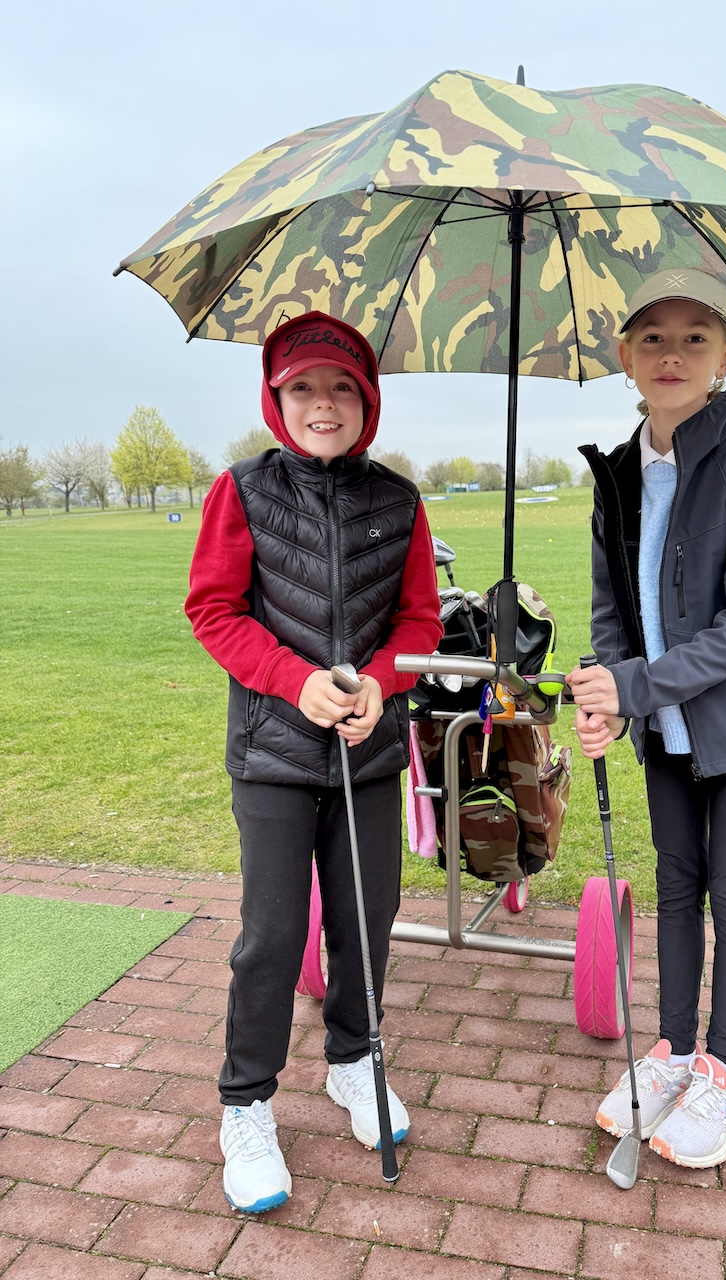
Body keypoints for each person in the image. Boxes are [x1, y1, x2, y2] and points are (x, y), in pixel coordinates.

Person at [567, 268, 726, 1170]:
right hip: (662, 724)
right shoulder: (619, 470)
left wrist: (633, 688)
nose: (671, 354)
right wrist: (609, 690)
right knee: (675, 884)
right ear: (624, 355)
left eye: (694, 337)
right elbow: (612, 608)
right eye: (652, 337)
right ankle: (675, 1051)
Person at [185, 311, 442, 1212]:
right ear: (276, 399)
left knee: (369, 919)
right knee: (272, 934)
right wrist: (295, 682)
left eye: (341, 387)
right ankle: (246, 1103)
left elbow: (419, 621)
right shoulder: (242, 490)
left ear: (366, 401)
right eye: (302, 388)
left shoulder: (400, 501)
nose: (321, 404)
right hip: (273, 755)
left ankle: (352, 1059)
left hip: (368, 755)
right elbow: (214, 611)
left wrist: (381, 681)